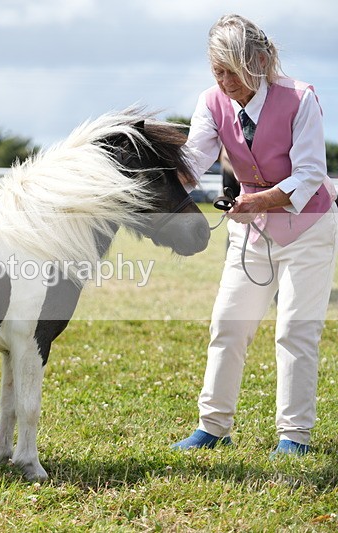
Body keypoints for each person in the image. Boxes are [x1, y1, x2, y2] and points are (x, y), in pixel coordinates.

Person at [173, 14, 338, 457]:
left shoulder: (301, 98)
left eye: (232, 69)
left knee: (295, 331)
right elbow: (193, 164)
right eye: (216, 70)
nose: (224, 81)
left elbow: (308, 175)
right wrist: (155, 183)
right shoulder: (211, 102)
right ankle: (212, 426)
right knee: (227, 325)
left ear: (260, 61)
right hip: (252, 232)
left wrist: (256, 202)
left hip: (309, 229)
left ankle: (294, 435)